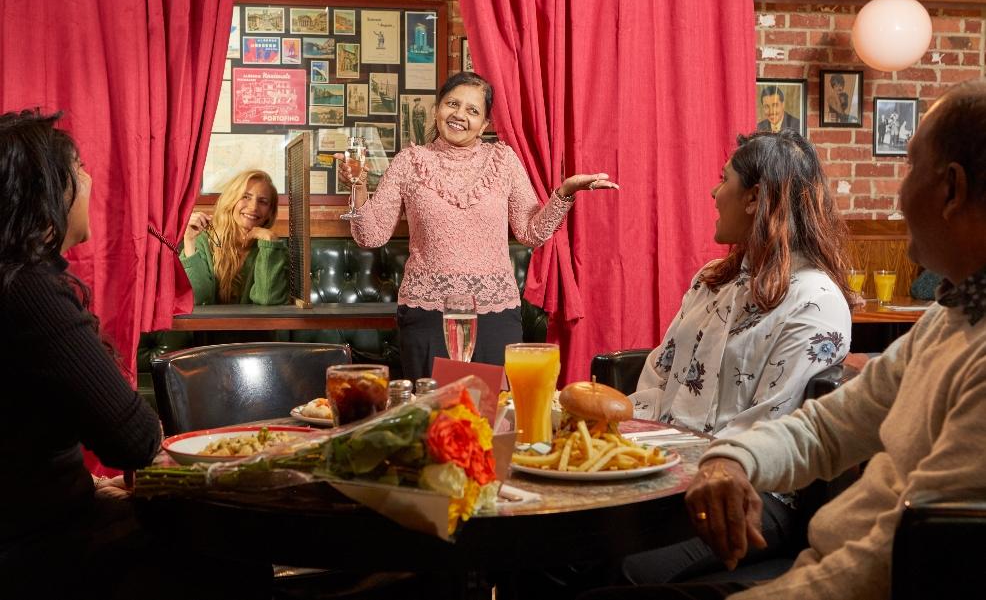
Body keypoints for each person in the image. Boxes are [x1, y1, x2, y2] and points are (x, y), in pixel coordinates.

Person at [584, 78, 986, 600]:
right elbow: (825, 427)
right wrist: (731, 459)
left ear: (951, 189)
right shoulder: (946, 320)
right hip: (819, 563)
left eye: (908, 167)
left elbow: (906, 562)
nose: (897, 192)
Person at [0, 110, 269, 598]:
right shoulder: (31, 292)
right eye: (79, 170)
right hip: (40, 545)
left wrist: (81, 485)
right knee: (232, 544)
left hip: (33, 520)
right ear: (49, 193)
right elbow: (135, 439)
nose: (90, 180)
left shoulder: (14, 280)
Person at [621, 129, 853, 585]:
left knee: (625, 566)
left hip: (750, 491)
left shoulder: (815, 301)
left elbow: (771, 431)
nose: (713, 191)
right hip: (664, 472)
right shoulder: (711, 280)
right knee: (548, 553)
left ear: (753, 199)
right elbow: (656, 379)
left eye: (722, 178)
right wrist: (619, 445)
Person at [339, 71, 617, 379]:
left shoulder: (504, 160)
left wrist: (564, 193)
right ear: (437, 109)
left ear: (484, 124)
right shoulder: (409, 161)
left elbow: (530, 232)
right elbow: (372, 236)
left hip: (493, 314)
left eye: (472, 110)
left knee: (493, 416)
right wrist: (359, 186)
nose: (459, 115)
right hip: (427, 312)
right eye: (452, 104)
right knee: (435, 417)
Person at [181, 169, 288, 305]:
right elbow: (197, 297)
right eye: (246, 197)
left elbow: (267, 300)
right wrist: (189, 241)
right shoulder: (204, 241)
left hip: (256, 326)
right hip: (209, 326)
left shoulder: (274, 250)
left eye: (263, 201)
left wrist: (269, 242)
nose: (253, 207)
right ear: (231, 201)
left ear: (270, 213)